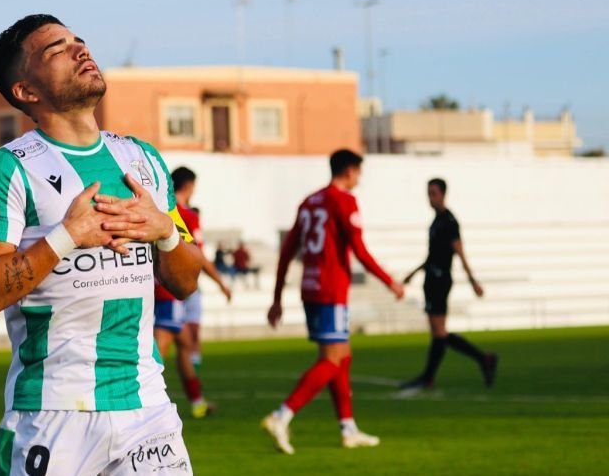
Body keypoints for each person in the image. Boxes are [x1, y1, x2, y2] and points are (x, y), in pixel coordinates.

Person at [0, 15, 203, 475]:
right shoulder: (7, 169)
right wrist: (67, 235)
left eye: (79, 41)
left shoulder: (143, 160)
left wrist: (165, 232)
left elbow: (187, 281)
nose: (80, 50)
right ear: (26, 91)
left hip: (146, 410)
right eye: (56, 50)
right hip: (52, 413)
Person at [262, 149, 404, 455]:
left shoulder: (309, 201)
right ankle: (281, 415)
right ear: (350, 171)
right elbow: (360, 250)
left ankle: (348, 427)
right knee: (331, 359)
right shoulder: (344, 201)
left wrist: (276, 299)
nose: (359, 180)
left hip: (310, 288)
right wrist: (390, 281)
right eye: (358, 174)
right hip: (331, 290)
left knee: (343, 356)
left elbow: (287, 252)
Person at [398, 178, 498, 393]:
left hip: (440, 279)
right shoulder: (436, 222)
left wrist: (472, 281)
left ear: (443, 194)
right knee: (438, 333)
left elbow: (459, 251)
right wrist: (414, 273)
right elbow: (433, 254)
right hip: (431, 278)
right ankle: (435, 374)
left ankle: (478, 360)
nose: (430, 197)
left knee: (440, 332)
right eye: (428, 193)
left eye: (433, 193)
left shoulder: (449, 221)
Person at [154, 166, 230, 419]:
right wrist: (220, 281)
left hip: (156, 286)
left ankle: (197, 402)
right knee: (160, 346)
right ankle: (146, 399)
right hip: (171, 290)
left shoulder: (157, 209)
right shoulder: (185, 215)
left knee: (185, 343)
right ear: (189, 186)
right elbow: (196, 257)